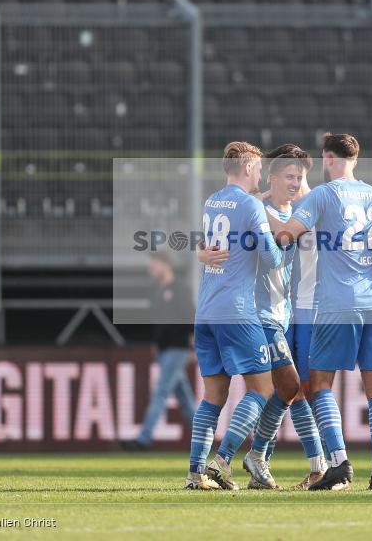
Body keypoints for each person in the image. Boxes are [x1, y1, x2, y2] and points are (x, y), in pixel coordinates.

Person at [267, 133, 372, 491]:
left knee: (319, 385)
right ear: (355, 159)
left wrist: (257, 212)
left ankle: (339, 463)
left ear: (328, 158)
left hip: (337, 303)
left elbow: (285, 236)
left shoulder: (323, 195)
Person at [185, 141, 283, 491]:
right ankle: (223, 460)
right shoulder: (250, 205)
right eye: (258, 168)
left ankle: (195, 474)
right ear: (247, 167)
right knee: (262, 388)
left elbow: (208, 248)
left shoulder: (212, 201)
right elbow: (272, 260)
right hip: (237, 310)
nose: (260, 175)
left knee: (213, 395)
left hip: (206, 310)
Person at [122, 252, 196, 452]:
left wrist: (193, 346)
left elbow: (190, 317)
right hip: (164, 350)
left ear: (165, 264)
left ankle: (143, 439)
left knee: (161, 392)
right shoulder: (154, 291)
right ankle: (203, 436)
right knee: (185, 398)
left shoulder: (180, 289)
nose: (151, 269)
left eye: (154, 264)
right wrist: (156, 344)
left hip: (178, 348)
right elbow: (156, 322)